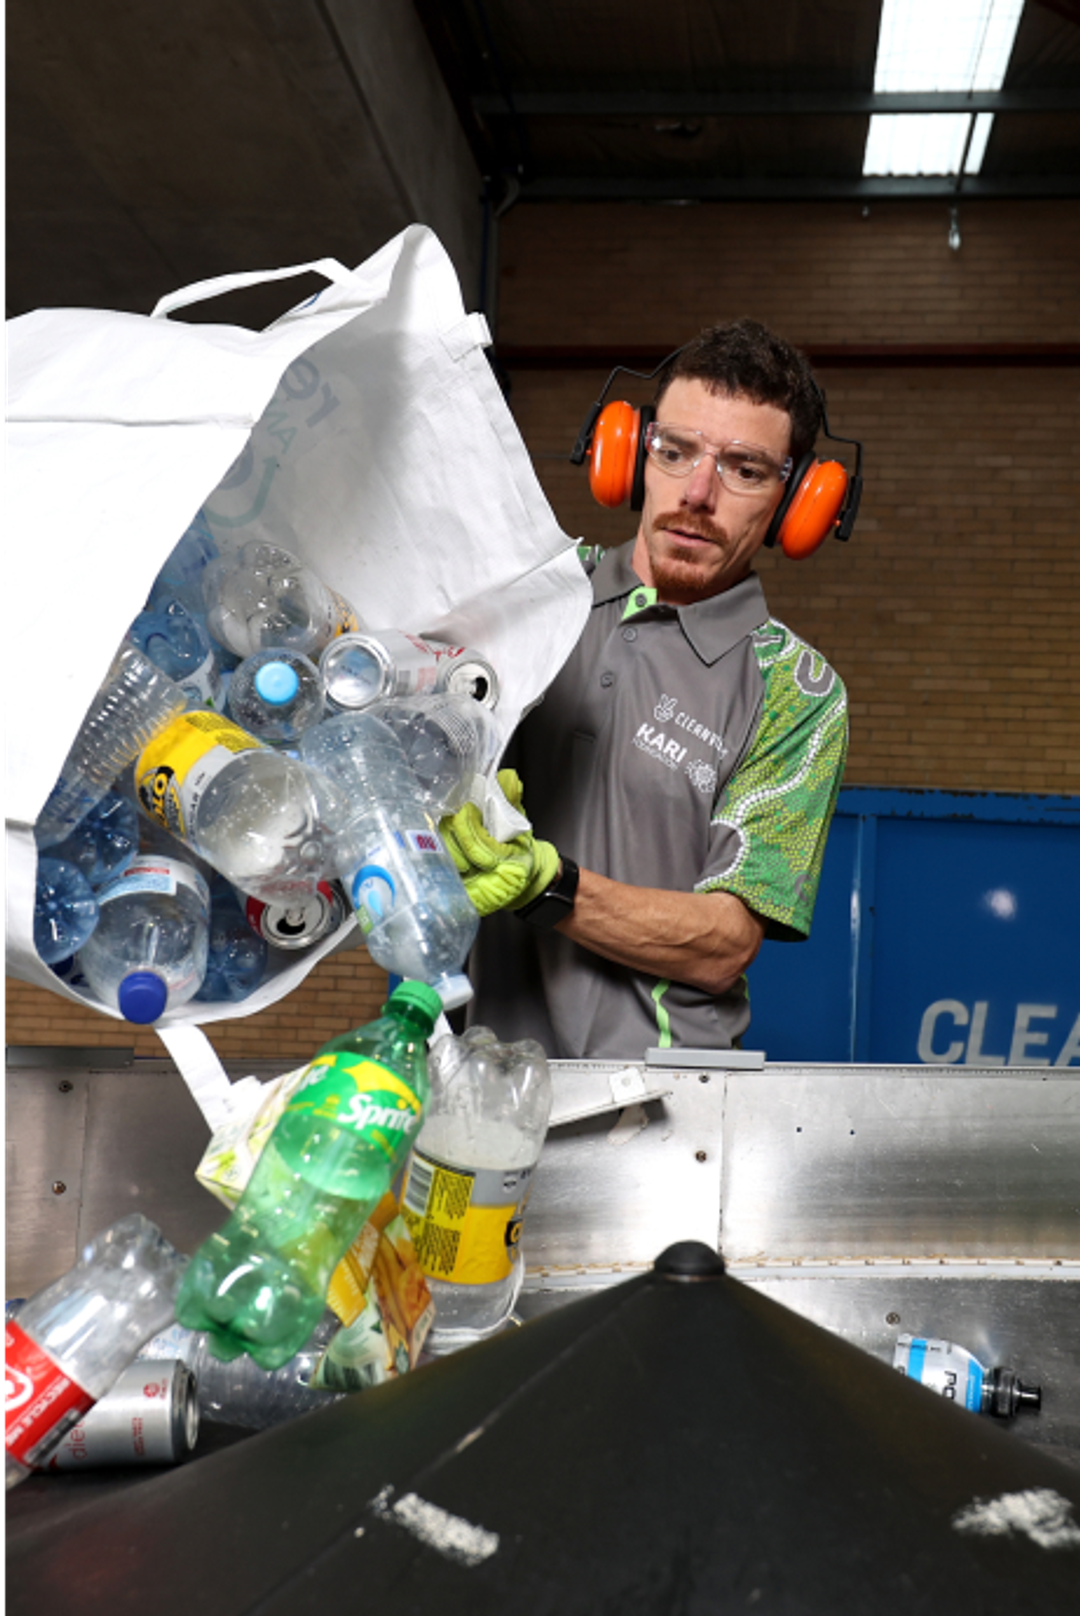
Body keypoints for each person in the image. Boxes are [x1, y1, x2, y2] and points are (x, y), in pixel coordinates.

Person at [441, 319, 850, 1060]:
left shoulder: (797, 691)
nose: (697, 494)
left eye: (746, 470)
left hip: (663, 1109)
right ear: (629, 456)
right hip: (464, 1078)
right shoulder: (522, 600)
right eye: (676, 451)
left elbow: (725, 942)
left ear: (798, 504)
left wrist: (547, 883)